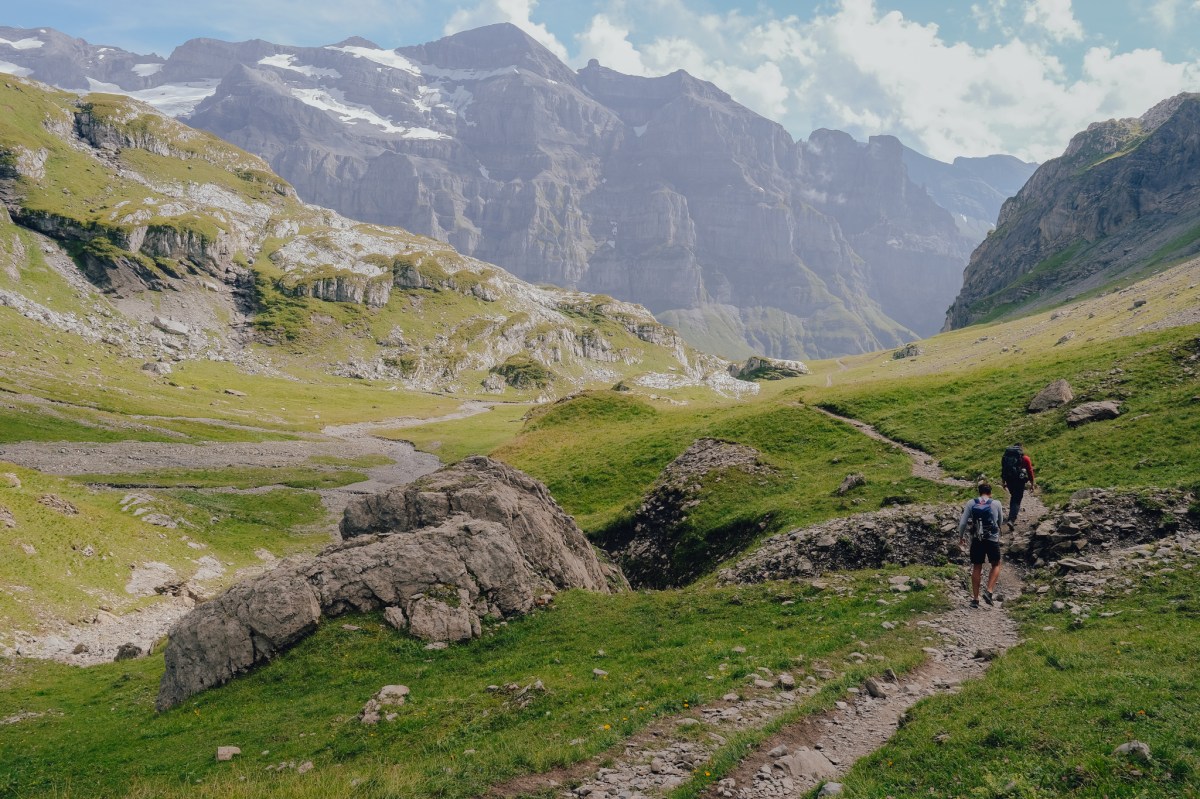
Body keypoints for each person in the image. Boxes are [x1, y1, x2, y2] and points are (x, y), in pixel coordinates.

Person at [958, 481, 1004, 608]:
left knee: (977, 566)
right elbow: (1000, 521)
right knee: (996, 564)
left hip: (977, 539)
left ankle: (975, 599)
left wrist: (961, 536)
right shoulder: (996, 503)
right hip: (992, 539)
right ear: (990, 492)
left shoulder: (971, 503)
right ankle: (989, 591)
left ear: (979, 492)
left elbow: (962, 523)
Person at [1000, 443, 1036, 532]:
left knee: (1014, 496)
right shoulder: (1025, 458)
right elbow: (1030, 471)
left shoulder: (1006, 458)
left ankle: (1011, 516)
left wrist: (1003, 482)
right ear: (1021, 449)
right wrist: (1032, 483)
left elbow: (1004, 469)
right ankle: (1011, 520)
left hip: (1009, 480)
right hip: (1020, 481)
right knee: (1017, 499)